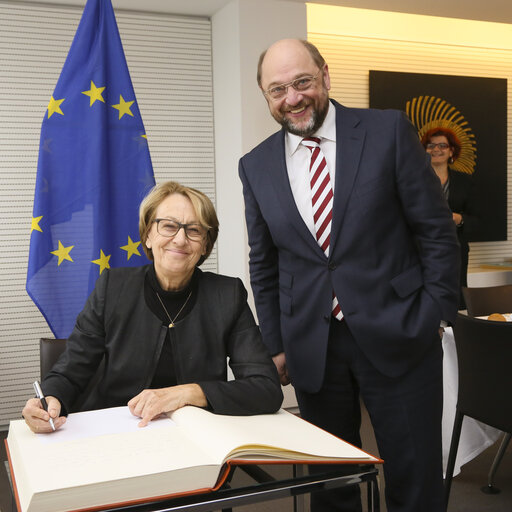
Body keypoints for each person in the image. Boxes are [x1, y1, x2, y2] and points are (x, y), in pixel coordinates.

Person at [238, 39, 460, 512]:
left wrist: (434, 313)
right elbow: (265, 262)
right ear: (266, 97)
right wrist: (276, 344)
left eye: (302, 82)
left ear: (325, 77)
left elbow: (436, 231)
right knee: (329, 482)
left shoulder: (387, 130)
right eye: (277, 89)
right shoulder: (255, 166)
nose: (292, 98)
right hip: (312, 347)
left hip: (400, 332)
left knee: (415, 473)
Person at [22, 181, 283, 432]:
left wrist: (188, 392)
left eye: (194, 230)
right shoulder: (112, 287)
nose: (180, 240)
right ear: (148, 235)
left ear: (205, 244)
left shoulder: (228, 295)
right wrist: (51, 398)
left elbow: (266, 388)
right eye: (168, 226)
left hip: (197, 436)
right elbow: (70, 371)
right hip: (118, 432)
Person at [422, 127, 480, 308]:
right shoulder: (414, 179)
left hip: (456, 249)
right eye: (430, 145)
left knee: (456, 297)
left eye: (442, 145)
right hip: (420, 248)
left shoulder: (465, 181)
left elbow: (478, 219)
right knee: (425, 296)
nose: (436, 150)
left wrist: (458, 219)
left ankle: (457, 335)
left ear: (451, 151)